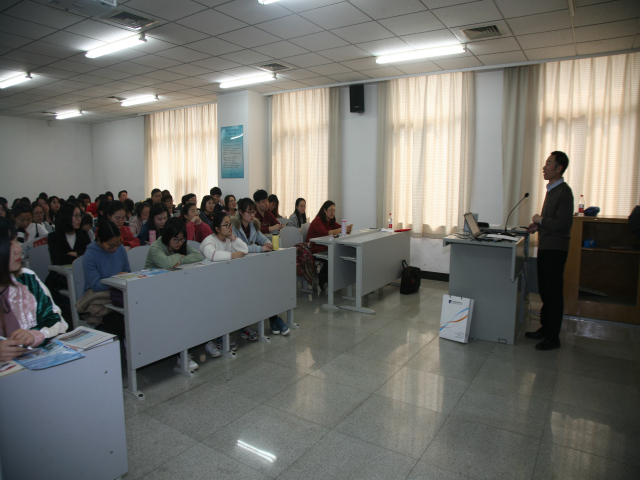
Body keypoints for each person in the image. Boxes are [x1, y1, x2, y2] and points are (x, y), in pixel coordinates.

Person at [526, 151, 574, 351]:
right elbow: (552, 221)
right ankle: (546, 329)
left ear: (559, 168)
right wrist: (539, 226)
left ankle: (553, 337)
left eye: (548, 163)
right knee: (545, 291)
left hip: (556, 249)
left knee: (553, 293)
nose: (544, 167)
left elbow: (563, 223)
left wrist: (541, 220)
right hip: (547, 246)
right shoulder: (552, 189)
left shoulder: (564, 192)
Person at [0, 218, 67, 362]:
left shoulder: (27, 279)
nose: (18, 249)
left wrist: (35, 335)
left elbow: (57, 321)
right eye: (9, 244)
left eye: (16, 241)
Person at [232, 199, 290, 336]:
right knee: (260, 288)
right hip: (237, 268)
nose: (252, 215)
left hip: (251, 266)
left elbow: (262, 238)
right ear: (240, 212)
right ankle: (273, 319)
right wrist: (259, 248)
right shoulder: (234, 227)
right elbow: (240, 247)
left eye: (253, 212)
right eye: (249, 212)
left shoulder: (253, 225)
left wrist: (268, 243)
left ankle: (273, 318)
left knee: (267, 286)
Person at [199, 213, 259, 345]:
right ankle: (220, 335)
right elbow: (212, 255)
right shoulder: (209, 240)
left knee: (241, 295)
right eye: (226, 225)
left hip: (223, 281)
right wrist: (232, 255)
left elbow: (244, 249)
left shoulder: (227, 240)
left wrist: (232, 237)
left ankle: (241, 326)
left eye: (230, 224)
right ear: (217, 229)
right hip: (206, 285)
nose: (230, 227)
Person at [82, 220, 129, 340]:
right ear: (99, 240)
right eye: (110, 246)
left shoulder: (120, 249)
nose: (115, 248)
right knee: (117, 321)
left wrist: (123, 277)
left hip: (118, 294)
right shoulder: (90, 255)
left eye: (117, 243)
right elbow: (96, 285)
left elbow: (127, 271)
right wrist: (115, 279)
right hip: (100, 298)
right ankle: (121, 350)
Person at [307, 201, 353, 288]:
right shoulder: (317, 221)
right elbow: (325, 233)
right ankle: (324, 277)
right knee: (334, 255)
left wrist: (348, 229)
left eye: (334, 210)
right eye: (331, 210)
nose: (333, 212)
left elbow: (339, 228)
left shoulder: (331, 221)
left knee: (340, 254)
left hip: (325, 247)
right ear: (324, 210)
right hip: (315, 249)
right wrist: (342, 229)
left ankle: (332, 279)